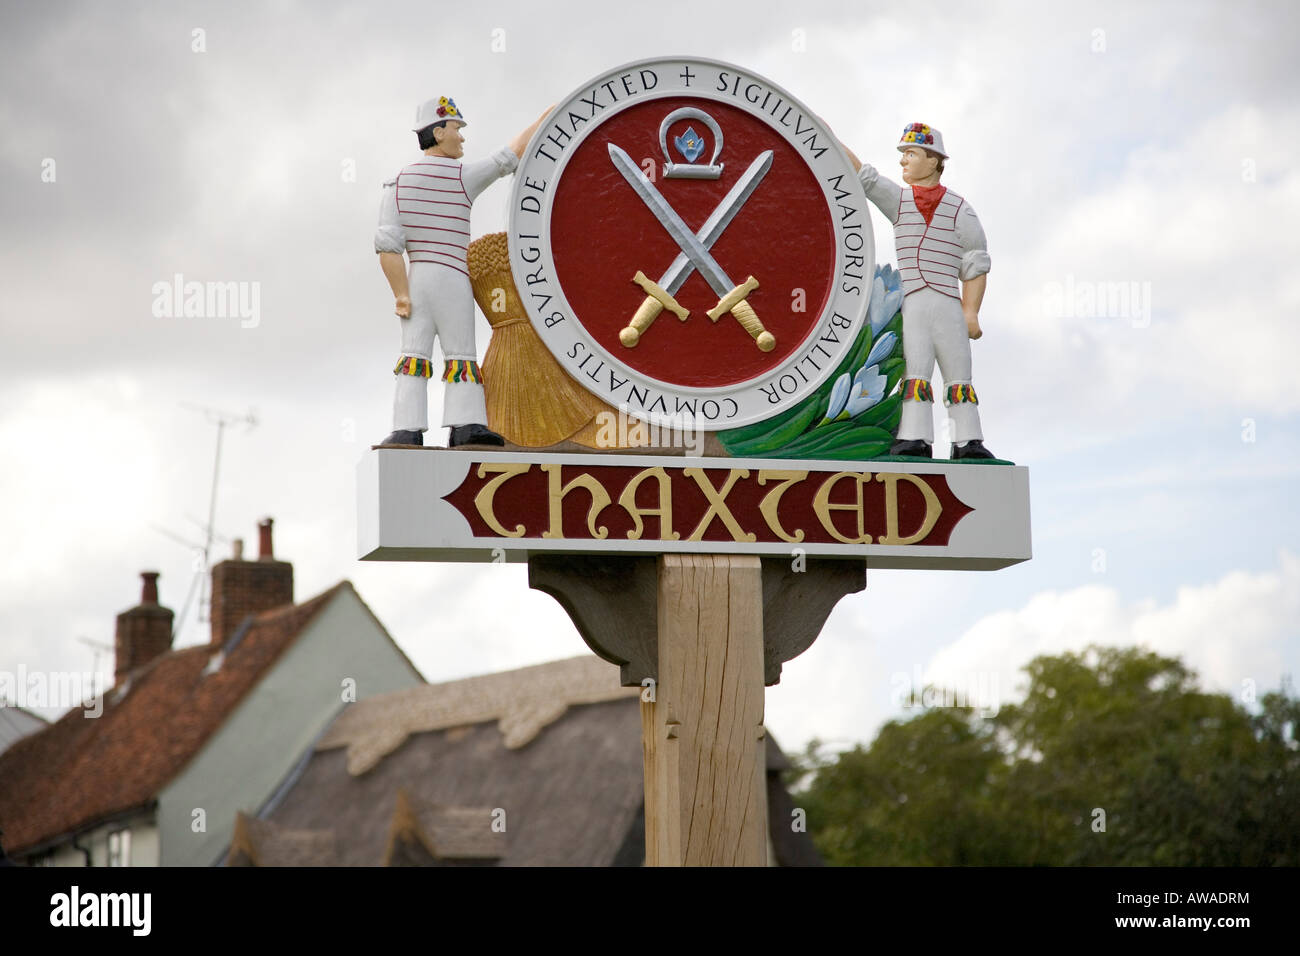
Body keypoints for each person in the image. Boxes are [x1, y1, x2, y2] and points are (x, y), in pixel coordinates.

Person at [375, 96, 545, 447]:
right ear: (438, 132)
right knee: (462, 353)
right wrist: (549, 116)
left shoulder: (397, 183)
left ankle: (407, 428)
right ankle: (465, 424)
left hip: (418, 278)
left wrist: (401, 293)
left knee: (413, 354)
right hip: (453, 277)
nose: (462, 138)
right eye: (456, 129)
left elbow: (388, 245)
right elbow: (507, 156)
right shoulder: (462, 176)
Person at [845, 123, 995, 459]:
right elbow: (865, 178)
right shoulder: (899, 201)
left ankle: (967, 439)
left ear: (933, 160)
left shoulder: (959, 208)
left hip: (947, 302)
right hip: (913, 302)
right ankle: (915, 436)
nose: (904, 162)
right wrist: (826, 137)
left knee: (958, 373)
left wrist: (971, 311)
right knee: (916, 370)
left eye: (911, 154)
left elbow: (975, 261)